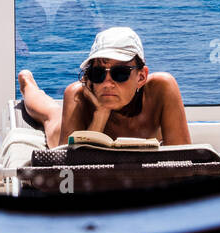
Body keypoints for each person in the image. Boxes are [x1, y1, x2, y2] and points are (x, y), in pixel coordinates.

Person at [16, 26, 192, 148]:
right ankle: (27, 83)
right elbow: (72, 170)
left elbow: (184, 159)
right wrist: (100, 115)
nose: (107, 83)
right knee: (50, 116)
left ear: (141, 76)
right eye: (98, 73)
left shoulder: (161, 89)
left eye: (120, 73)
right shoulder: (78, 95)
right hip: (73, 130)